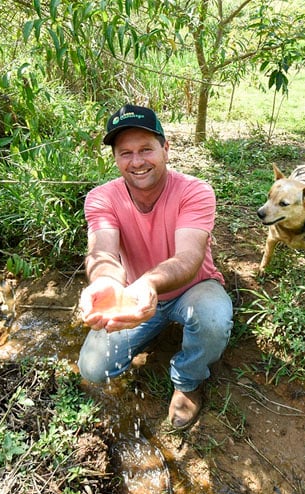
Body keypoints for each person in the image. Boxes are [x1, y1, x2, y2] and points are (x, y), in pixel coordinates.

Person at [76, 104, 233, 430]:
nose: (136, 161)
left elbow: (188, 259)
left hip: (194, 288)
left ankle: (188, 380)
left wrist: (148, 284)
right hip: (134, 293)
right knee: (92, 367)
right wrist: (105, 283)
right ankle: (150, 328)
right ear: (116, 158)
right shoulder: (101, 199)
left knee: (214, 319)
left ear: (165, 148)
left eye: (146, 149)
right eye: (125, 153)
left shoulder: (194, 191)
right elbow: (103, 252)